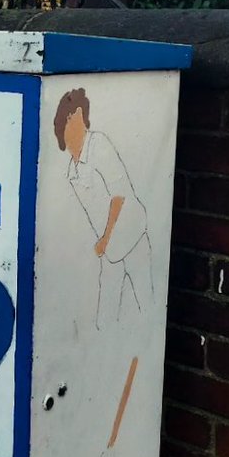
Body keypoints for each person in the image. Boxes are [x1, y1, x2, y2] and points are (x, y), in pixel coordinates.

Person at [52, 88, 152, 328]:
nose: (73, 123)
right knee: (105, 317)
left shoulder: (99, 145)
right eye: (66, 121)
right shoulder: (71, 173)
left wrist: (105, 240)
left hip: (132, 238)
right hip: (110, 251)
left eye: (73, 117)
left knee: (148, 305)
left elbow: (120, 196)